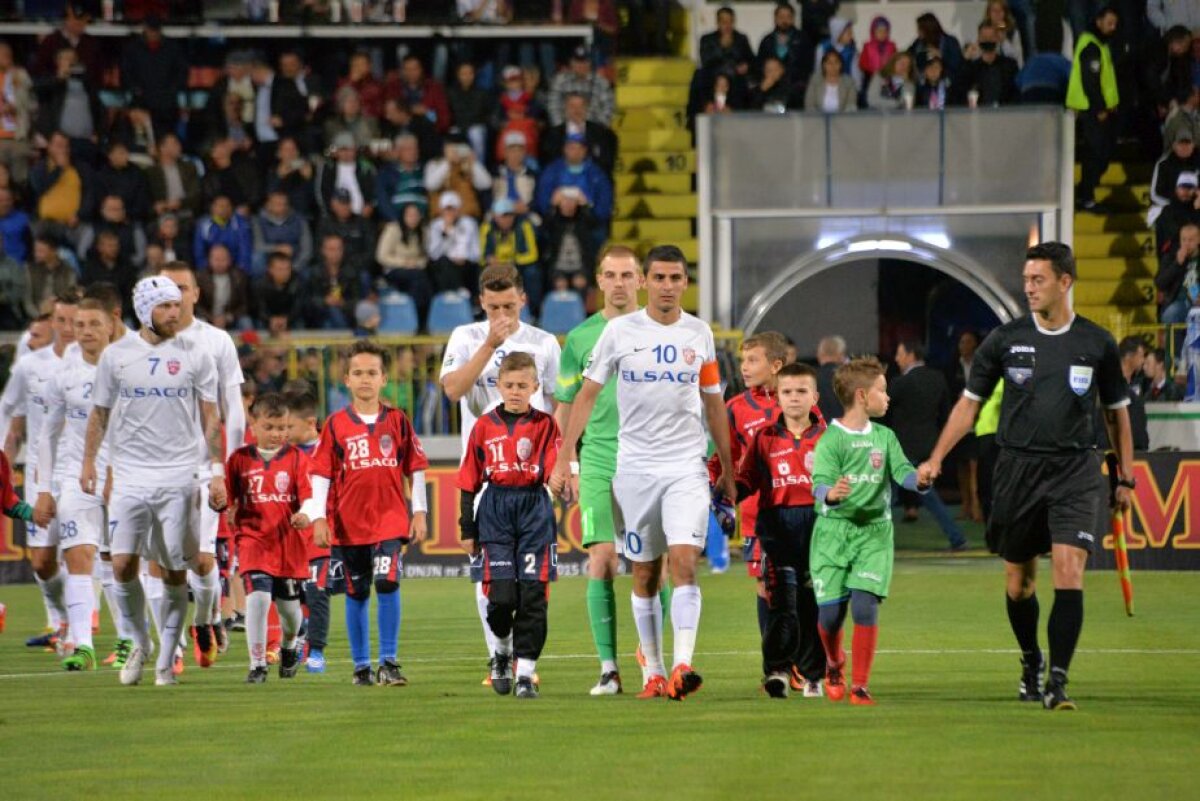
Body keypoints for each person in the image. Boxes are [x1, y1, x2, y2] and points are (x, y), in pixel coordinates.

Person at [920, 241, 1134, 710]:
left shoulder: (1097, 343)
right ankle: (1030, 659)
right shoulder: (1005, 340)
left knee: (1068, 569)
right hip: (1017, 469)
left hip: (1077, 468)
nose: (1029, 287)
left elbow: (1117, 415)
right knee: (1020, 583)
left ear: (1065, 282)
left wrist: (1126, 477)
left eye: (1038, 280)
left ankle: (1058, 680)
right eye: (1026, 279)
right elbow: (968, 405)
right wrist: (937, 458)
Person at [550, 244, 736, 701]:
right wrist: (564, 455)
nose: (668, 286)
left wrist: (727, 467)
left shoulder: (700, 335)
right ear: (646, 282)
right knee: (644, 574)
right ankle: (650, 670)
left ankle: (682, 665)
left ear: (685, 284)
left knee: (685, 561)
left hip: (684, 468)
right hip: (632, 469)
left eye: (676, 279)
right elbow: (586, 397)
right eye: (660, 278)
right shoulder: (616, 334)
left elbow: (714, 403)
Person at [82, 276, 227, 687]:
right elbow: (100, 413)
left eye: (177, 306)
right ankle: (138, 640)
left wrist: (216, 471)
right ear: (145, 310)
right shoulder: (116, 357)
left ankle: (167, 657)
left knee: (174, 569)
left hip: (181, 476)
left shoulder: (197, 354)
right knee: (123, 563)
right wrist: (89, 462)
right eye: (164, 306)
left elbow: (210, 416)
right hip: (129, 476)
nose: (174, 313)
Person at [440, 264, 560, 682]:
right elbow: (453, 390)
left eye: (508, 305)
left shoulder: (543, 344)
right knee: (489, 571)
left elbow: (557, 403)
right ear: (481, 303)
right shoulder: (466, 337)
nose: (502, 314)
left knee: (529, 577)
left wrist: (564, 464)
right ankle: (498, 655)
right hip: (484, 475)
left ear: (523, 300)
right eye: (493, 307)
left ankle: (524, 661)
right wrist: (490, 343)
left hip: (530, 478)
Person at [295, 341, 430, 686]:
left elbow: (415, 467)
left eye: (372, 373)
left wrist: (419, 511)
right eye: (358, 373)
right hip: (349, 523)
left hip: (389, 519)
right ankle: (361, 667)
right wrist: (321, 518)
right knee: (356, 592)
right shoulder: (336, 424)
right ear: (346, 380)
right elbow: (322, 472)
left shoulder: (398, 420)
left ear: (384, 378)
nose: (365, 379)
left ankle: (389, 662)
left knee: (387, 582)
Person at [810, 356, 932, 705]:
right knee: (830, 616)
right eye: (882, 390)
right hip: (833, 533)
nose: (887, 396)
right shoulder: (831, 440)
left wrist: (919, 480)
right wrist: (830, 494)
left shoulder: (885, 437)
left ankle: (860, 686)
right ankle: (834, 662)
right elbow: (819, 483)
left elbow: (904, 473)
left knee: (865, 606)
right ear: (862, 396)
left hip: (874, 534)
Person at [552, 245, 644, 694]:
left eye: (628, 275)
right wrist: (566, 460)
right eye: (612, 275)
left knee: (654, 564)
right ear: (600, 281)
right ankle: (609, 668)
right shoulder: (581, 338)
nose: (620, 283)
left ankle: (655, 661)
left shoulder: (659, 333)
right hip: (599, 458)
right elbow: (565, 404)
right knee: (602, 559)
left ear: (640, 281)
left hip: (649, 459)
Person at [158, 262, 249, 664]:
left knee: (204, 558)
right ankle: (174, 645)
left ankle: (207, 616)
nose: (174, 296)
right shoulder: (143, 344)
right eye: (165, 288)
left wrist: (229, 468)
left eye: (181, 287)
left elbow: (235, 408)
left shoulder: (216, 341)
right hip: (157, 465)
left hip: (205, 467)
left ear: (196, 293)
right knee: (162, 561)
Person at [458, 352, 561, 699]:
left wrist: (561, 480)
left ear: (535, 386)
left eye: (523, 385)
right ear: (499, 386)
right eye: (509, 385)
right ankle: (501, 652)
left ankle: (525, 674)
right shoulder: (484, 426)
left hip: (534, 510)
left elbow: (552, 468)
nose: (516, 391)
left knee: (533, 596)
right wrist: (466, 528)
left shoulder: (547, 425)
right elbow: (468, 481)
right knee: (501, 599)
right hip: (496, 510)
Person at [735, 362, 827, 698]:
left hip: (818, 527)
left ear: (814, 396)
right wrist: (727, 492)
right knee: (780, 602)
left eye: (801, 392)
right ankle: (777, 672)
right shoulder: (765, 437)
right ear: (778, 396)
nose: (794, 398)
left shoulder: (828, 438)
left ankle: (814, 674)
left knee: (814, 602)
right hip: (777, 526)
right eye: (787, 392)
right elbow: (748, 478)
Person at [34, 298, 116, 671]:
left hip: (125, 477)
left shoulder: (127, 372)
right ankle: (83, 644)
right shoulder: (63, 377)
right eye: (79, 325)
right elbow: (47, 437)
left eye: (92, 324)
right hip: (75, 478)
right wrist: (45, 489)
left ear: (110, 326)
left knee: (124, 565)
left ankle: (137, 638)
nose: (84, 332)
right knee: (78, 555)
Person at [1, 292, 78, 649]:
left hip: (83, 472)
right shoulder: (31, 366)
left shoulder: (102, 364)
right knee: (43, 560)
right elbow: (11, 415)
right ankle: (62, 619)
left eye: (73, 321)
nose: (67, 328)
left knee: (87, 554)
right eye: (60, 321)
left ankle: (86, 633)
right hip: (39, 476)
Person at [225, 393, 312, 683]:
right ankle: (257, 664)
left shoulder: (297, 458)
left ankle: (289, 646)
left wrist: (304, 514)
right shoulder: (238, 460)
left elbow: (309, 498)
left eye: (283, 428)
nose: (277, 434)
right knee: (258, 599)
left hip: (288, 544)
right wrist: (223, 507)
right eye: (270, 427)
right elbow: (227, 498)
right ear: (254, 425)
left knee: (289, 613)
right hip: (253, 541)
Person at [712, 333, 787, 656]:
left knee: (799, 587)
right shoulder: (736, 408)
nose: (744, 367)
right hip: (758, 515)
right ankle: (775, 662)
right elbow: (721, 458)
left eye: (753, 360)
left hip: (800, 510)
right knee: (765, 586)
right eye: (743, 360)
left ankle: (803, 661)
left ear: (776, 364)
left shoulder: (797, 398)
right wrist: (715, 493)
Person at [888, 339, 967, 550]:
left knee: (887, 497)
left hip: (902, 450)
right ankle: (956, 537)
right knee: (929, 496)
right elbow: (946, 414)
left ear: (911, 354)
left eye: (899, 353)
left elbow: (882, 411)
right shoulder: (937, 378)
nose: (896, 358)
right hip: (929, 447)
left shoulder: (900, 383)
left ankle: (868, 541)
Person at [283, 388, 335, 673]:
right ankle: (298, 637)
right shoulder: (283, 456)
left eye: (290, 426)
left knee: (318, 593)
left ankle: (316, 652)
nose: (285, 432)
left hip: (319, 535)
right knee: (293, 597)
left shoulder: (328, 450)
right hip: (290, 539)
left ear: (310, 422)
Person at [1068, 6, 1120, 213]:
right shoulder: (1092, 45)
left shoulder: (1098, 43)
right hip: (1093, 110)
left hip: (1098, 109)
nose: (1112, 27)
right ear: (1098, 22)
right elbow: (1091, 81)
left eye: (1114, 23)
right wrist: (1099, 107)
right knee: (1096, 154)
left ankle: (1084, 193)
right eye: (1109, 23)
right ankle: (1086, 196)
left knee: (1100, 153)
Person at [548, 45, 615, 126]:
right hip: (565, 129)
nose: (581, 66)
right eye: (577, 62)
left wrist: (597, 129)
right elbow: (553, 107)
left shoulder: (601, 82)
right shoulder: (560, 81)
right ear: (571, 63)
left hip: (594, 129)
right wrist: (561, 129)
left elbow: (609, 108)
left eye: (584, 62)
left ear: (590, 63)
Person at [955, 22, 1020, 106]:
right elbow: (959, 90)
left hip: (1004, 114)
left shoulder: (1010, 65)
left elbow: (1015, 94)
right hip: (978, 115)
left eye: (991, 37)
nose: (988, 40)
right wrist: (966, 59)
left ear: (997, 38)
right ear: (978, 39)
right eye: (984, 37)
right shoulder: (971, 68)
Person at [815, 334, 846, 418]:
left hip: (820, 428)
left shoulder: (811, 378)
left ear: (819, 354)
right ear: (841, 355)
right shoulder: (851, 378)